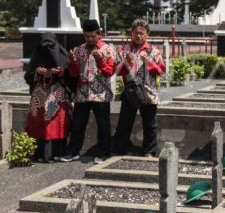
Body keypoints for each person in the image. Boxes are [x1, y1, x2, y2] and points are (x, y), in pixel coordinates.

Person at [61, 20, 116, 164]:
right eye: (86, 36)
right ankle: (73, 152)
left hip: (101, 94)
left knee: (103, 126)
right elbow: (73, 74)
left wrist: (100, 61)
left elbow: (109, 71)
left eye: (92, 36)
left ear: (99, 34)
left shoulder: (108, 49)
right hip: (83, 93)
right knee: (77, 125)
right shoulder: (79, 50)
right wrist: (72, 62)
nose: (89, 39)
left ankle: (104, 153)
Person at [112, 19, 165, 157]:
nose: (138, 36)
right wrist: (126, 62)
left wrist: (148, 62)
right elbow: (116, 71)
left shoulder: (153, 51)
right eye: (135, 33)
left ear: (147, 34)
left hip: (149, 93)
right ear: (131, 33)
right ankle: (119, 149)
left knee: (150, 124)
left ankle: (149, 151)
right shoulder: (124, 50)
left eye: (142, 33)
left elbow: (161, 71)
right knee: (124, 122)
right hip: (131, 92)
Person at [24, 33, 71, 162]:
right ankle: (40, 154)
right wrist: (37, 73)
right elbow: (28, 76)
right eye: (44, 45)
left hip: (57, 95)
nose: (47, 48)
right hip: (40, 95)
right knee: (39, 124)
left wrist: (61, 73)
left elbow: (71, 75)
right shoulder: (36, 56)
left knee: (57, 123)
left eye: (50, 45)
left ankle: (57, 153)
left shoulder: (63, 56)